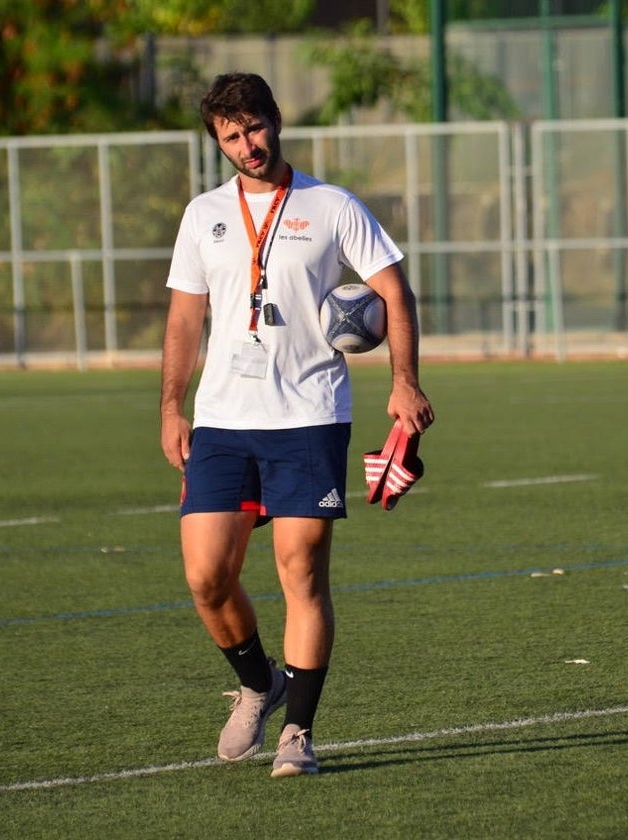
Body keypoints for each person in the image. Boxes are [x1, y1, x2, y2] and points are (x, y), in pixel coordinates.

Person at [159, 72, 434, 778]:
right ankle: (260, 684)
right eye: (230, 137)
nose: (246, 146)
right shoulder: (204, 215)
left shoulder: (332, 205)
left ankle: (298, 734)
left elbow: (392, 292)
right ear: (216, 142)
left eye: (254, 129)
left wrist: (403, 381)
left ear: (275, 121)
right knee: (206, 577)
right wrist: (171, 406)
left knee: (300, 572)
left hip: (309, 416)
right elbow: (186, 317)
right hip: (223, 419)